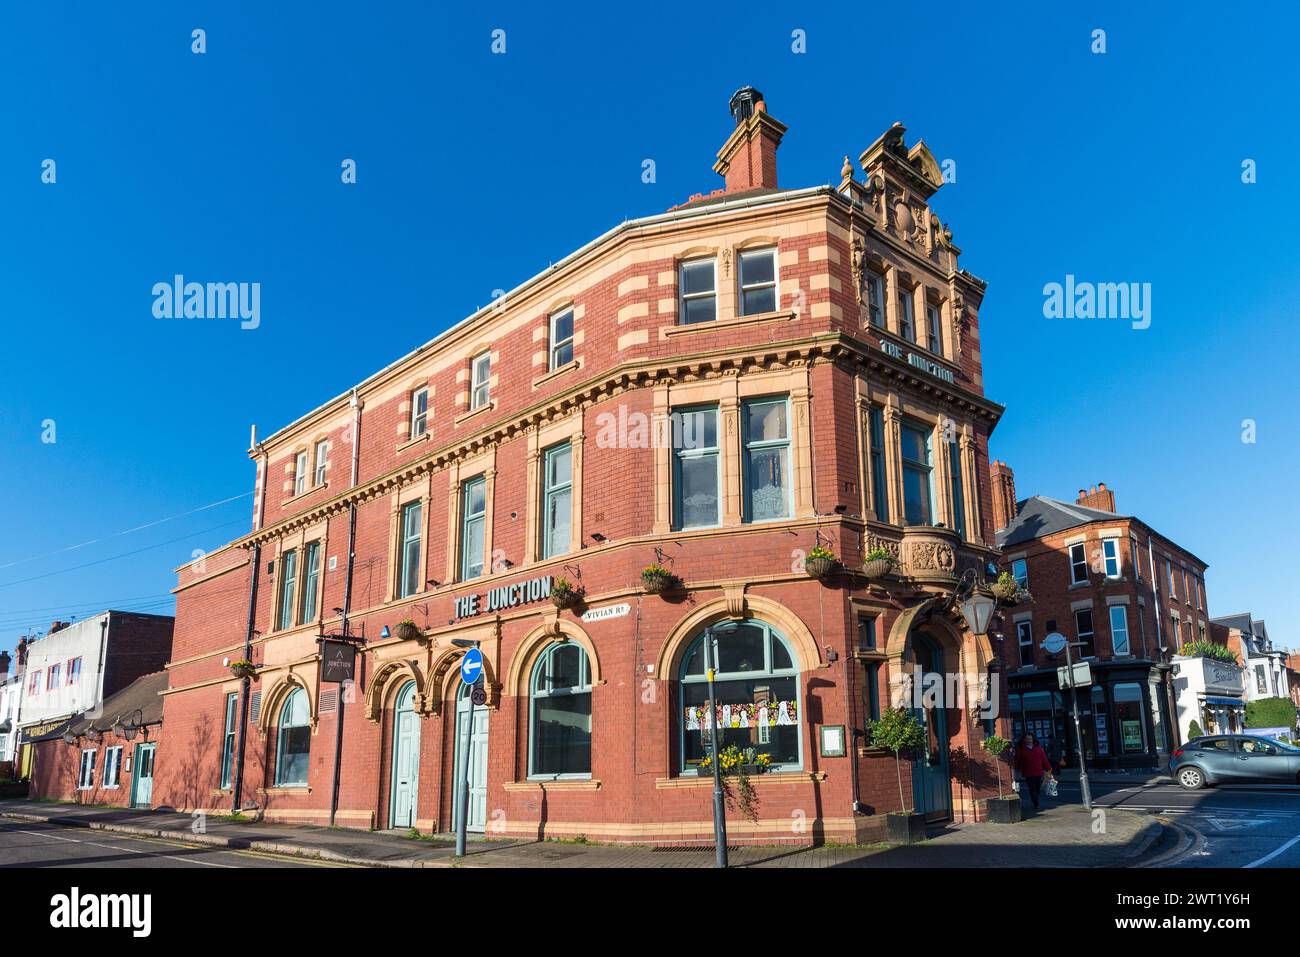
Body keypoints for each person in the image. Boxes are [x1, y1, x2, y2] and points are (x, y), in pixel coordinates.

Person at [1014, 732, 1053, 810]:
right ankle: (1036, 802)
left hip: (1038, 771)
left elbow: (1044, 759)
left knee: (1037, 787)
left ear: (1033, 739)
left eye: (1030, 739)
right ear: (1024, 740)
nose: (1028, 740)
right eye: (1027, 739)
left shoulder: (1038, 748)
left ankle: (1036, 799)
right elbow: (1017, 759)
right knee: (1032, 787)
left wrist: (1049, 769)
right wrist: (1015, 768)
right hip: (1028, 771)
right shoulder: (1021, 749)